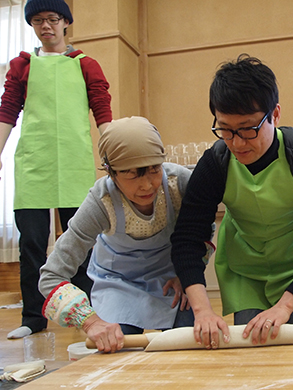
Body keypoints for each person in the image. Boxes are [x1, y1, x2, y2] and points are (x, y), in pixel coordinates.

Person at [170, 54, 293, 349]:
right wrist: (202, 311)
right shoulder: (216, 161)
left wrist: (285, 306)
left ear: (275, 115)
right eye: (225, 129)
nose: (237, 142)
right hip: (245, 271)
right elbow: (187, 238)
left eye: (249, 128)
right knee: (254, 348)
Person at [39, 116, 206, 353]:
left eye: (154, 170)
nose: (148, 185)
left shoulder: (178, 183)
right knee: (117, 350)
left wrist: (187, 274)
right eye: (133, 174)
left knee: (186, 345)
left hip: (171, 280)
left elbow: (203, 232)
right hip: (118, 283)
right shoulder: (101, 202)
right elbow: (51, 276)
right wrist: (91, 322)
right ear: (111, 172)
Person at [0, 0, 112, 339]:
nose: (45, 26)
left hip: (75, 162)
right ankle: (34, 316)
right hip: (34, 162)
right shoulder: (22, 65)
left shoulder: (85, 65)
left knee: (82, 241)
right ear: (32, 25)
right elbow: (8, 110)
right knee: (32, 242)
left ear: (65, 23)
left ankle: (88, 312)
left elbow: (102, 109)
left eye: (52, 19)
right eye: (37, 20)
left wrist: (112, 153)